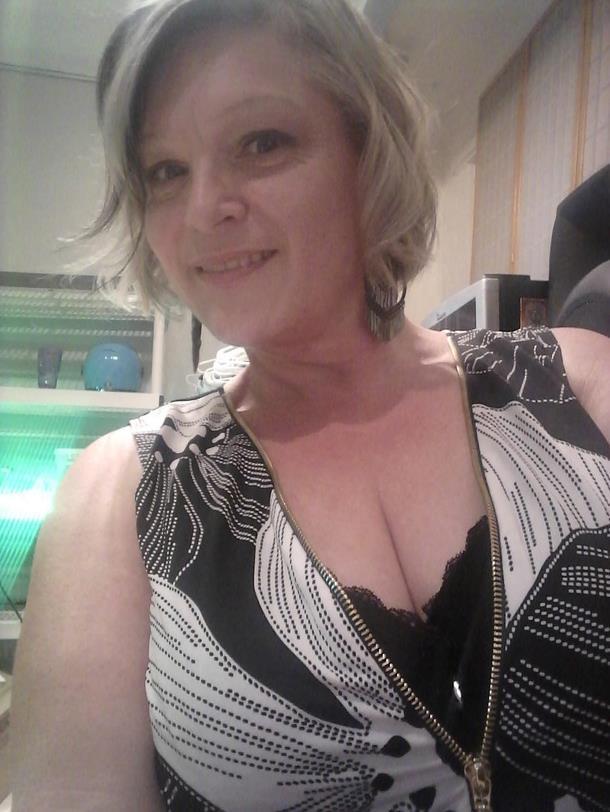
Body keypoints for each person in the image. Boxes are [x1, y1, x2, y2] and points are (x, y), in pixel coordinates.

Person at [9, 1, 610, 810]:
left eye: (261, 143)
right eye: (166, 171)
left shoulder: (581, 384)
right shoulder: (118, 498)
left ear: (367, 153)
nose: (204, 208)